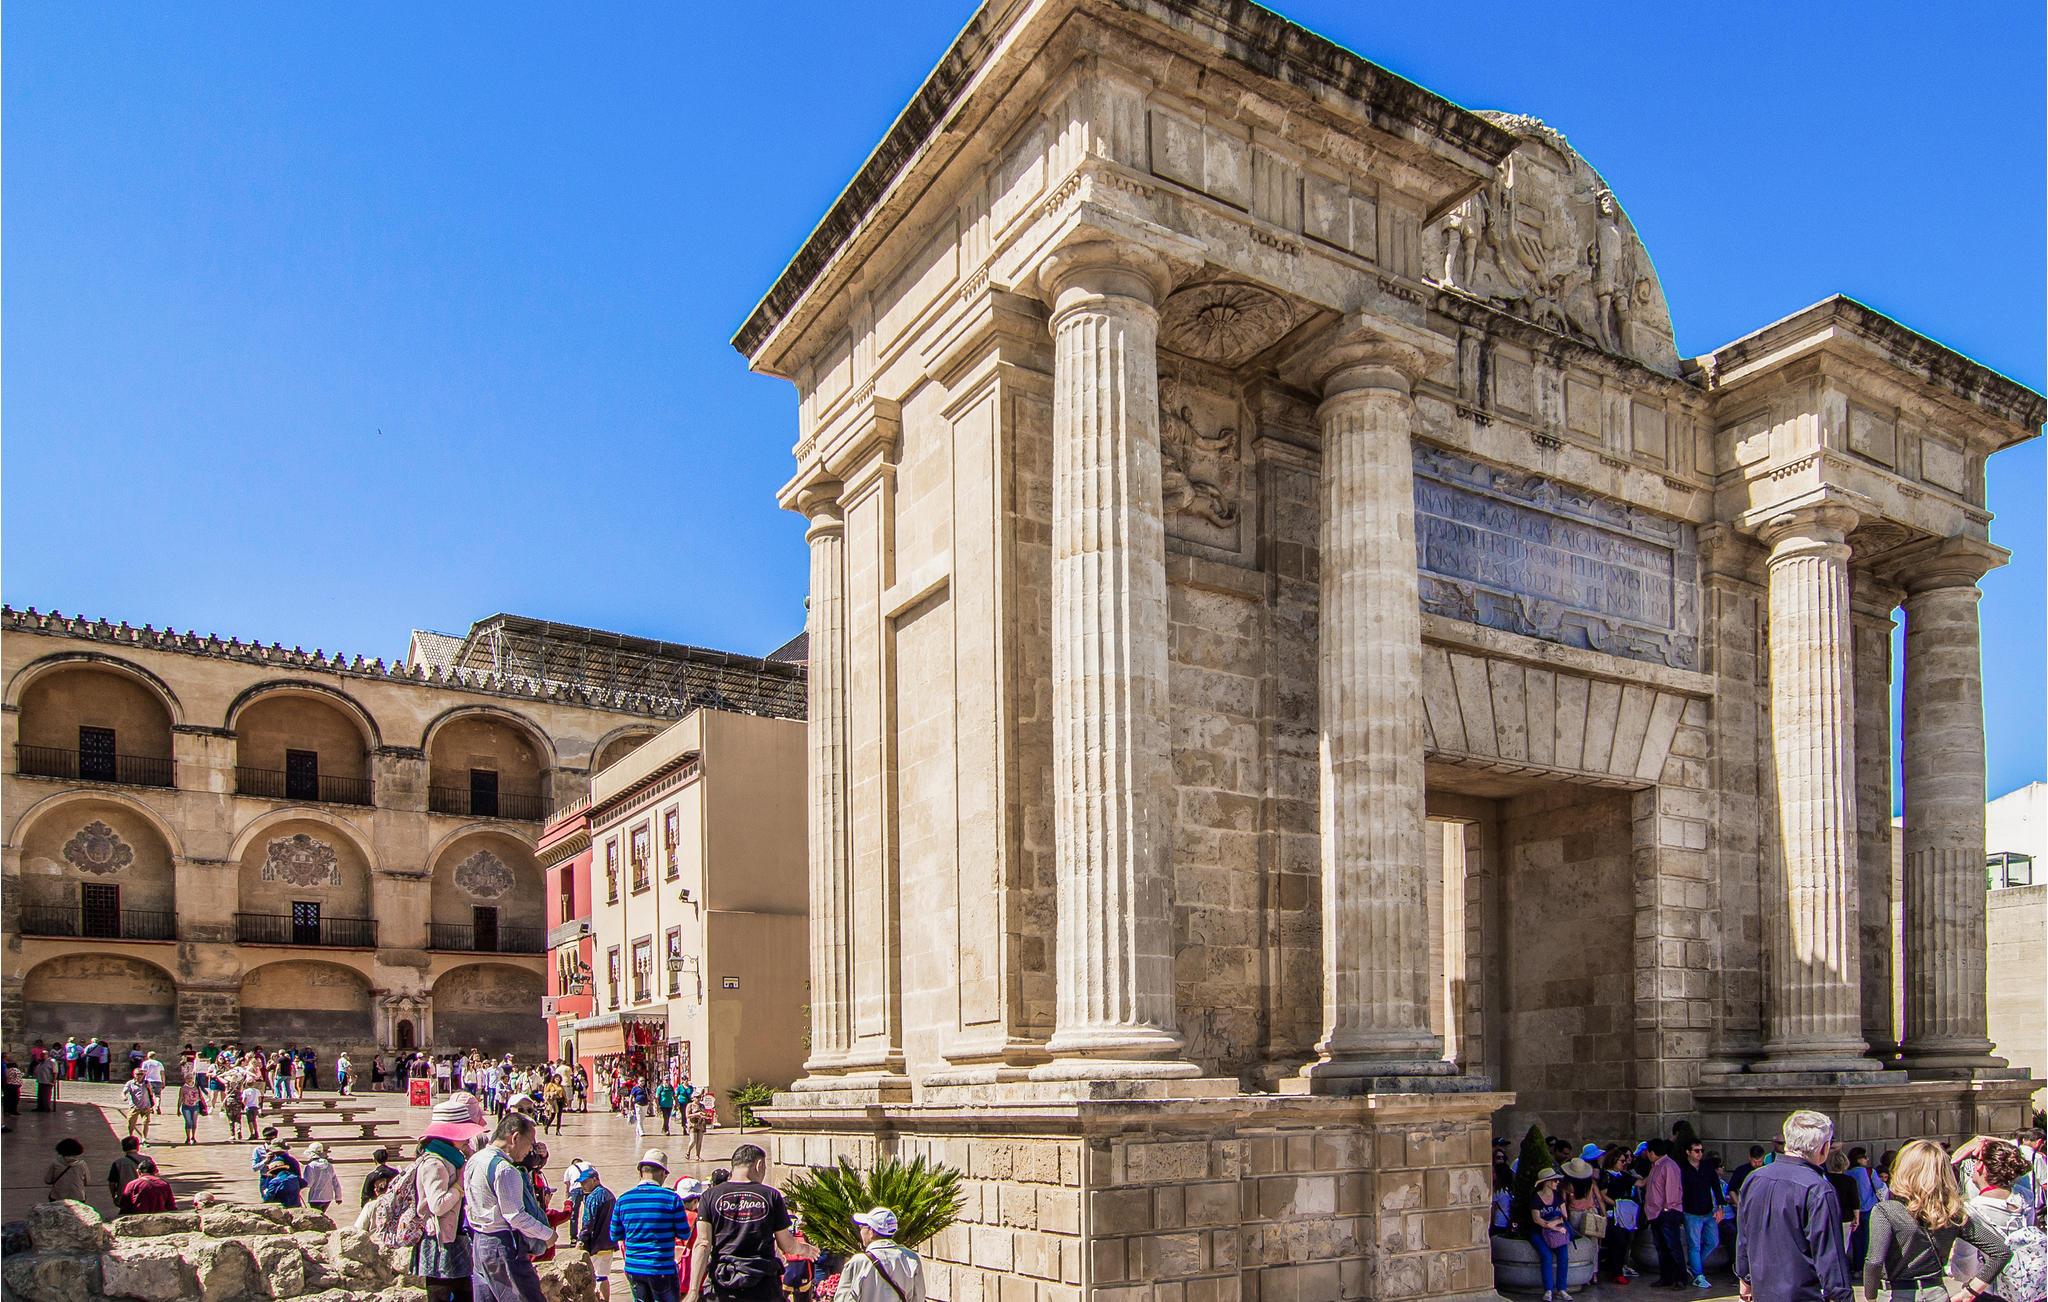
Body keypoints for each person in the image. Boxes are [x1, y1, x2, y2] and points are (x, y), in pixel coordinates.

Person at [1861, 1139, 2011, 1302]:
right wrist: (1970, 1291)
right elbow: (2001, 1252)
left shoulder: (1887, 1210)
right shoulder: (1952, 1212)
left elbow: (1874, 1262)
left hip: (1895, 1293)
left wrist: (1870, 1297)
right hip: (1936, 1293)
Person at [1735, 1109, 1852, 1302]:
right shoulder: (1818, 1188)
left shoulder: (1754, 1178)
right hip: (1803, 1294)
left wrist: (1745, 1282)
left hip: (1763, 1291)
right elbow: (1830, 1257)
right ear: (1824, 1148)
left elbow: (1744, 1238)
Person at [686, 1144, 816, 1302]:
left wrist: (693, 1290)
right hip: (762, 1284)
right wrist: (804, 1249)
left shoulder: (709, 1196)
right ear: (759, 1165)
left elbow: (703, 1244)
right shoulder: (771, 1195)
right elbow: (786, 1244)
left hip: (722, 1283)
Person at [462, 1111, 555, 1302]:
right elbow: (515, 1215)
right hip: (502, 1246)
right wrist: (547, 1234)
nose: (530, 1150)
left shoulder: (475, 1160)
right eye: (530, 1143)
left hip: (480, 1243)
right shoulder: (505, 1169)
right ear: (515, 1137)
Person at [412, 1095, 486, 1302]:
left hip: (455, 1237)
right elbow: (438, 1205)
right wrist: (459, 1186)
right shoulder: (434, 1163)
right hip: (439, 1242)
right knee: (441, 1295)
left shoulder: (453, 1158)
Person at [1950, 1137, 2038, 1301]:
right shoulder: (2025, 1197)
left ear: (1981, 1166)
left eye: (1976, 1161)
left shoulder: (1972, 1210)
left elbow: (1965, 1269)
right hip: (2025, 1288)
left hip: (1989, 1291)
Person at [611, 1148, 691, 1302]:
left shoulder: (623, 1200)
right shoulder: (672, 1199)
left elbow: (615, 1235)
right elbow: (684, 1233)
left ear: (641, 1172)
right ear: (662, 1173)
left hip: (634, 1268)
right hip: (661, 1268)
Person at [832, 1206, 926, 1302]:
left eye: (862, 1227)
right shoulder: (911, 1258)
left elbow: (843, 1299)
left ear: (871, 1232)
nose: (860, 1231)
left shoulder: (859, 1261)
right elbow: (919, 1298)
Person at [1679, 1137, 1729, 1287]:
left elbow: (1716, 1186)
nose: (1700, 1153)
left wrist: (1720, 1207)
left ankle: (1693, 1266)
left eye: (1701, 1150)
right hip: (1691, 1213)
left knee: (1712, 1241)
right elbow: (1678, 1190)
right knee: (1694, 1245)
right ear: (1688, 1152)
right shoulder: (1682, 1169)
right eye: (1696, 1151)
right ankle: (1698, 1275)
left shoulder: (1707, 1166)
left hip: (1707, 1211)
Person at [568, 1163, 619, 1296]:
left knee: (590, 1278)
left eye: (585, 1182)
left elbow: (588, 1223)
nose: (582, 1185)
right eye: (581, 1183)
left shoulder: (593, 1198)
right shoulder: (610, 1195)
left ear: (595, 1180)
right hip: (609, 1243)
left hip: (595, 1244)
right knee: (603, 1276)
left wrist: (580, 1241)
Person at [1644, 1138, 1689, 1288]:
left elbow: (1671, 1190)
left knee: (1672, 1246)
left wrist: (1666, 1209)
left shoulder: (1669, 1165)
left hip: (1667, 1213)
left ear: (1652, 1152)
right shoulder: (1655, 1166)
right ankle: (1666, 1277)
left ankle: (1680, 1278)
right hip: (1655, 1213)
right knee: (1661, 1248)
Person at [1529, 1166, 1574, 1302]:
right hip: (1539, 1232)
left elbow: (1565, 1216)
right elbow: (1536, 1219)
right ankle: (1548, 1290)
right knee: (1546, 1256)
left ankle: (1562, 1289)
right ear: (1547, 1182)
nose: (1557, 1182)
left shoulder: (1558, 1196)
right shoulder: (1536, 1198)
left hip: (1557, 1232)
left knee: (1564, 1256)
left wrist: (1554, 1224)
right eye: (1555, 1180)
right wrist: (1548, 1225)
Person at [46, 1137, 90, 1202]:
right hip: (78, 1197)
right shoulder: (82, 1164)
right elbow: (87, 1182)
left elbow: (48, 1180)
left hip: (58, 1197)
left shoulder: (55, 1163)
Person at [303, 1142, 341, 1213]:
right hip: (328, 1197)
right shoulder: (329, 1165)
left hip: (315, 1198)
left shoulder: (310, 1166)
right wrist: (338, 1197)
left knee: (316, 1216)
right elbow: (335, 1182)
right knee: (322, 1214)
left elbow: (309, 1183)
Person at [109, 1136, 145, 1210]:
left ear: (123, 1148)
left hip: (125, 1197)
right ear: (137, 1147)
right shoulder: (147, 1160)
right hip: (144, 1196)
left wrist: (114, 1196)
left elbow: (112, 1183)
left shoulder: (118, 1163)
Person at [122, 1066, 156, 1140]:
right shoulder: (130, 1083)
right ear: (134, 1074)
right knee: (131, 1123)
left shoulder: (146, 1083)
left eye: (141, 1074)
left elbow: (151, 1094)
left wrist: (149, 1088)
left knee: (145, 1123)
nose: (140, 1076)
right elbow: (124, 1092)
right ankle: (130, 1135)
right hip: (134, 1107)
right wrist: (124, 1097)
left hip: (145, 1107)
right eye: (138, 1074)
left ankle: (144, 1139)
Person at [177, 1074, 207, 1145]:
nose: (189, 1080)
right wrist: (178, 1108)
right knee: (188, 1122)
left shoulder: (196, 1087)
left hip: (195, 1107)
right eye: (187, 1078)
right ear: (185, 1079)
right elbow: (180, 1098)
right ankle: (188, 1138)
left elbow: (201, 1096)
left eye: (190, 1078)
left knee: (194, 1122)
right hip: (186, 1107)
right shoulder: (183, 1088)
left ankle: (193, 1137)